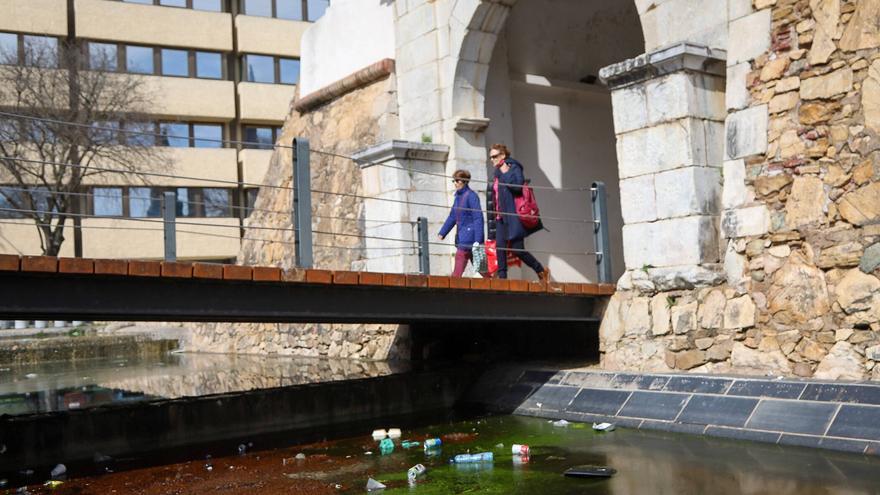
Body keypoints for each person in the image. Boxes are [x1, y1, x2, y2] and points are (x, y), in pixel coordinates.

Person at [486, 143, 550, 282]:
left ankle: (540, 270)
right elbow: (494, 198)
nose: (492, 160)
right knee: (500, 248)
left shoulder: (513, 167)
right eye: (490, 157)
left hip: (514, 216)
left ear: (503, 156)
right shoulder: (496, 173)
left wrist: (505, 171)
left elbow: (517, 187)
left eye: (494, 156)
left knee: (517, 249)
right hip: (500, 217)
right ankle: (502, 279)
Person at [438, 170, 484, 277]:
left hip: (469, 238)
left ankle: (453, 288)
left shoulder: (471, 196)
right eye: (454, 180)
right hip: (463, 236)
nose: (455, 183)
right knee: (483, 271)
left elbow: (478, 218)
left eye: (457, 180)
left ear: (464, 181)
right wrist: (442, 232)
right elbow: (452, 216)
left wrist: (478, 240)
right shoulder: (458, 197)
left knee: (458, 271)